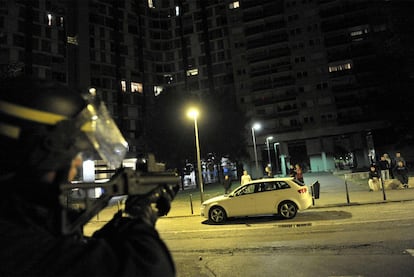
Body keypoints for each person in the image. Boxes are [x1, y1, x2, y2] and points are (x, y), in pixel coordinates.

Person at [0, 77, 176, 276]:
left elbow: (75, 252)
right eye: (74, 154)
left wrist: (125, 222)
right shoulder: (17, 245)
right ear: (42, 153)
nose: (76, 165)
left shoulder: (20, 226)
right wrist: (140, 216)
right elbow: (147, 268)